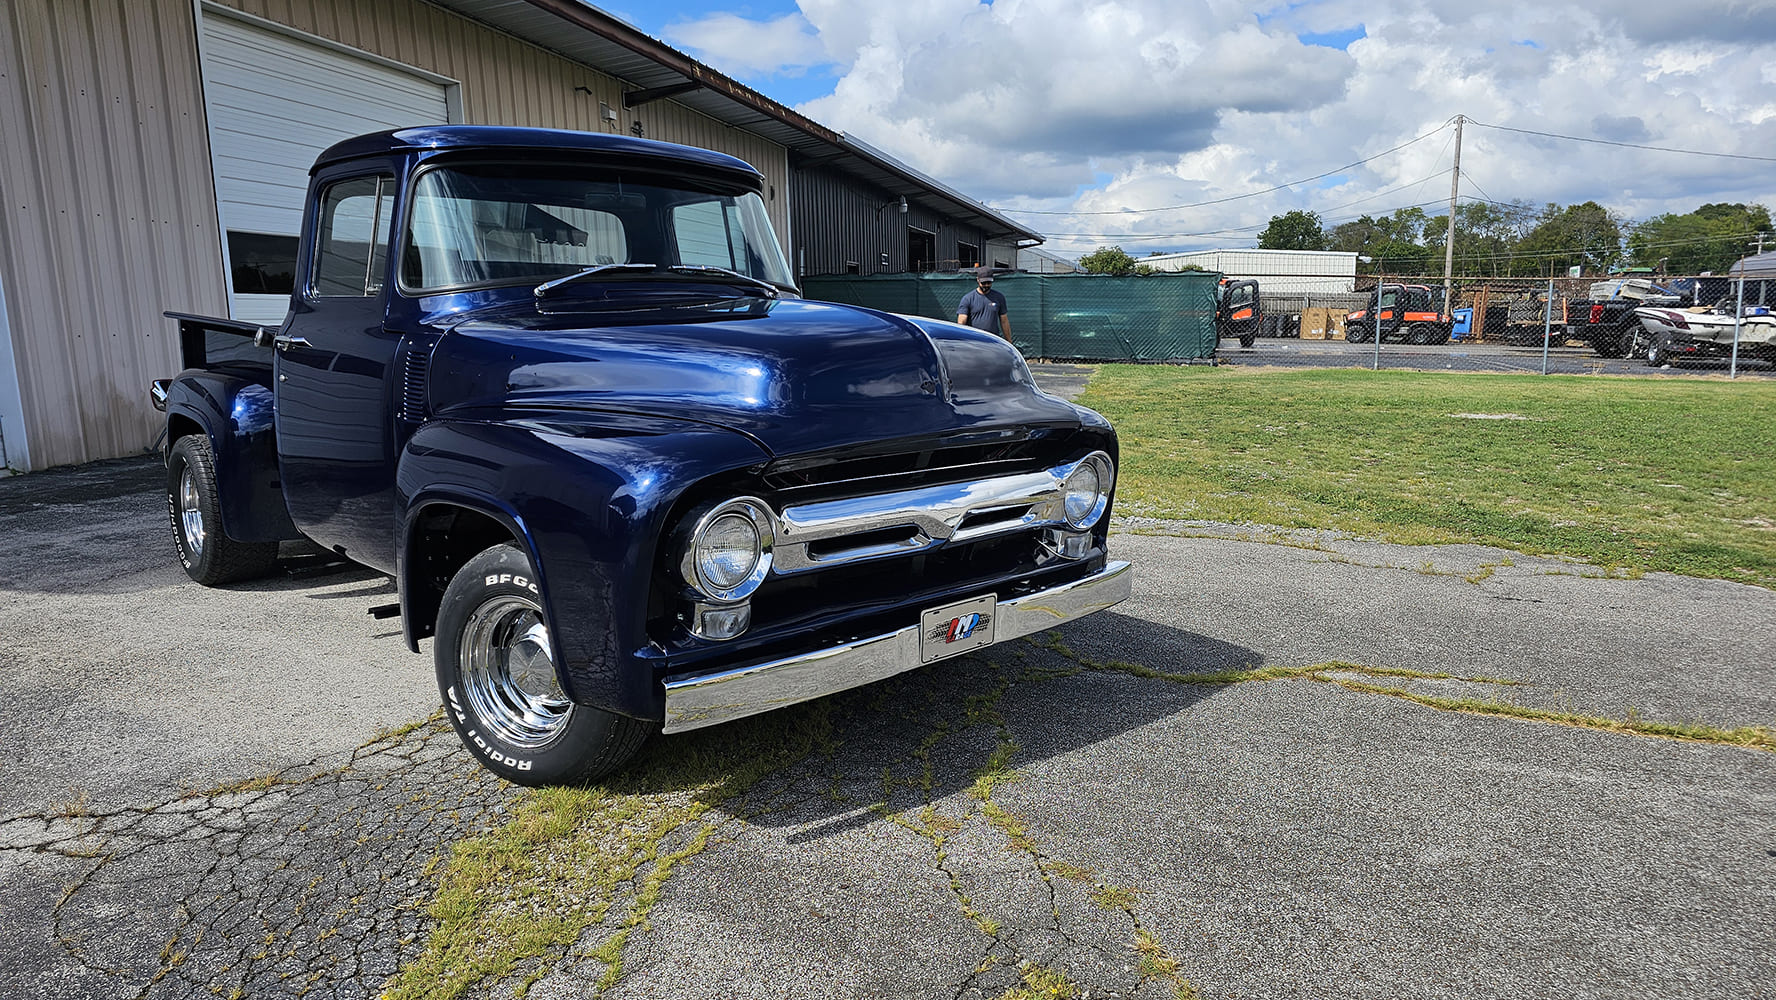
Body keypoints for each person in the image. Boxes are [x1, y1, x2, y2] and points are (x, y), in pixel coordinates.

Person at [956, 267, 1011, 341]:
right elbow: (961, 322)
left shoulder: (999, 297)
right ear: (978, 280)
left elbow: (1004, 321)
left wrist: (1009, 341)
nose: (986, 285)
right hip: (974, 341)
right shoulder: (968, 299)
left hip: (992, 340)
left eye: (989, 283)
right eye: (983, 283)